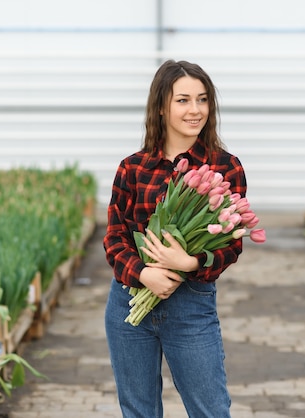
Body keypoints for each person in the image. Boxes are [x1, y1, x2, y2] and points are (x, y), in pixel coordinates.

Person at [103, 59, 247, 418]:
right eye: (183, 100)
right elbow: (115, 236)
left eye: (202, 99)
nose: (194, 110)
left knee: (211, 410)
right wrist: (143, 273)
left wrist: (190, 263)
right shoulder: (133, 167)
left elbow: (232, 243)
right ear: (162, 107)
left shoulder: (224, 167)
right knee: (138, 411)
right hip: (128, 304)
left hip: (190, 307)